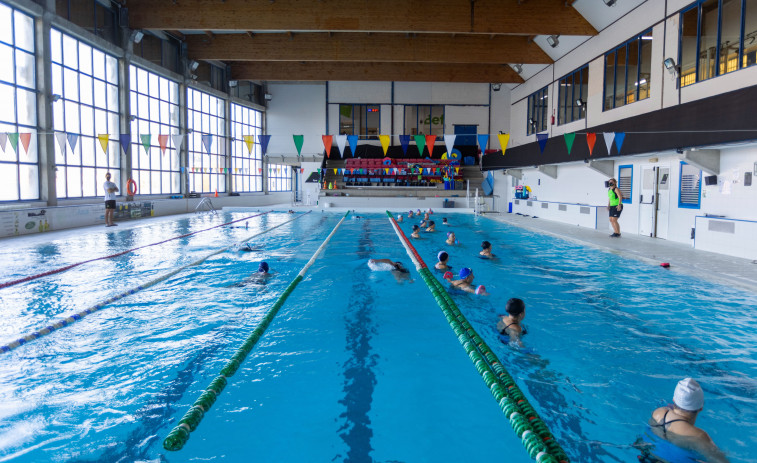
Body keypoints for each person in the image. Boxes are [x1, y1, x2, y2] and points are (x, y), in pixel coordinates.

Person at [641, 378, 729, 463]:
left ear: (674, 400)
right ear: (701, 408)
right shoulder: (699, 436)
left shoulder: (658, 413)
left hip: (647, 457)